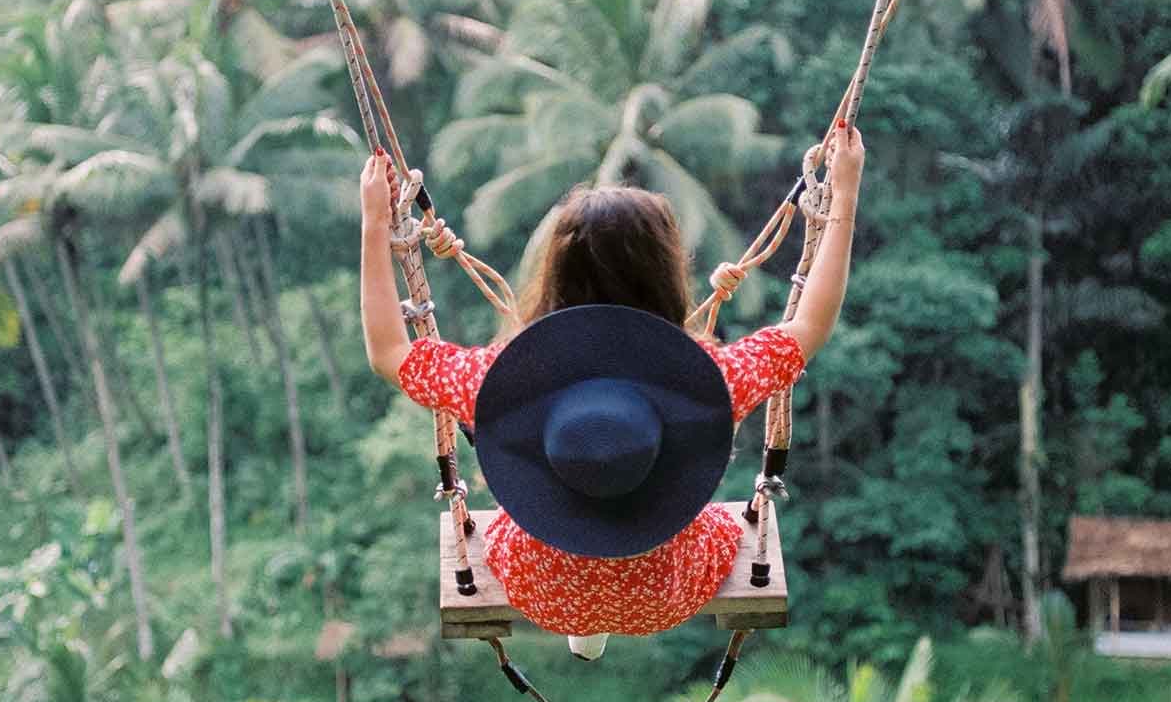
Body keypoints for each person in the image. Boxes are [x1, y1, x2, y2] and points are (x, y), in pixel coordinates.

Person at [360, 122, 865, 660]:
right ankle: (603, 569)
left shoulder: (498, 376)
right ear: (667, 271)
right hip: (666, 597)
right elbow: (809, 326)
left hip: (542, 592)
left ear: (554, 270)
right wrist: (846, 194)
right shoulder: (710, 378)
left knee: (517, 513)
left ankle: (583, 591)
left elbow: (388, 352)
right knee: (723, 521)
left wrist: (373, 222)